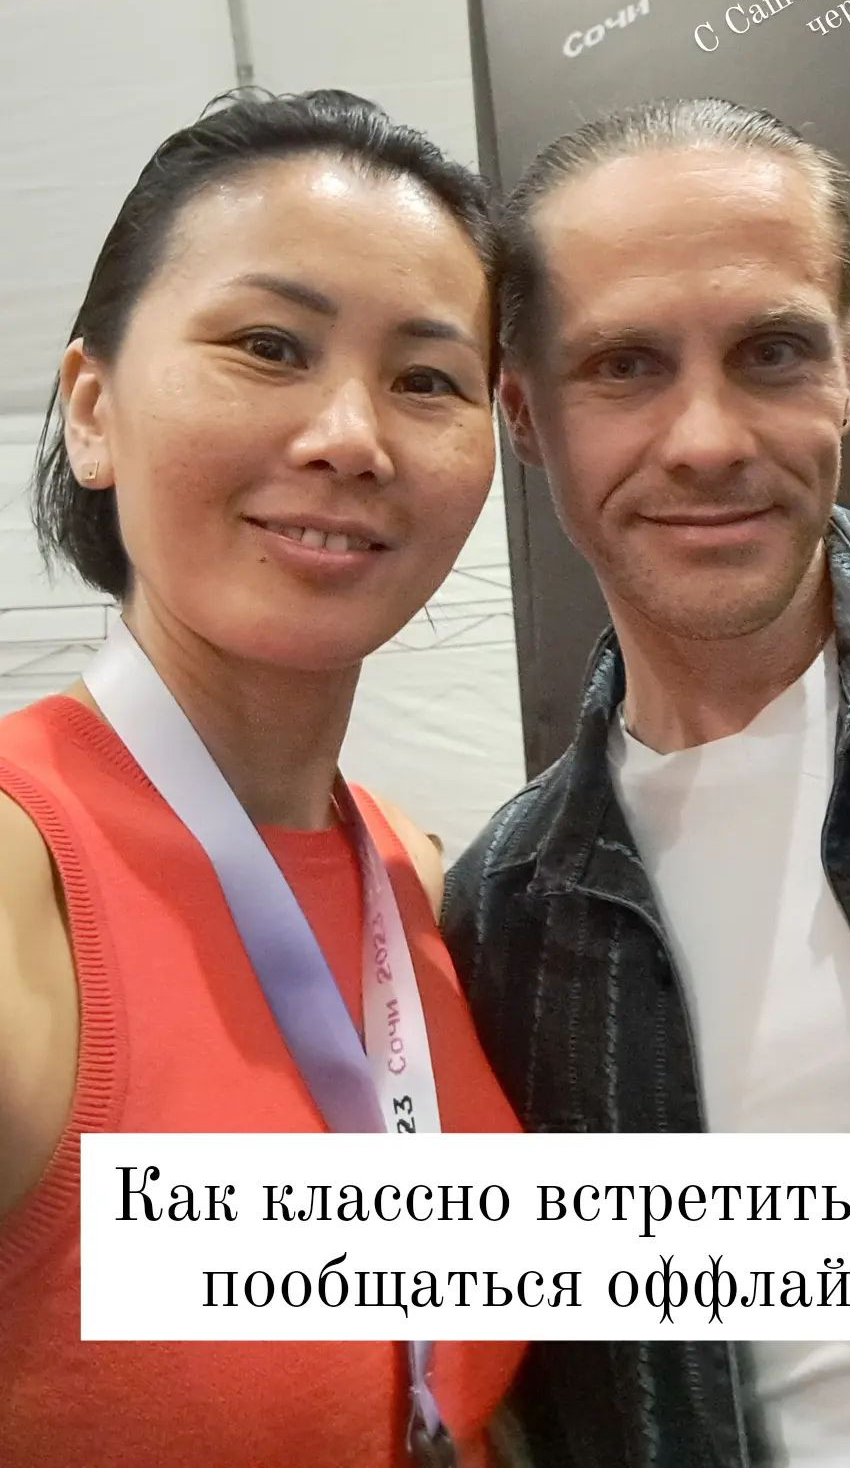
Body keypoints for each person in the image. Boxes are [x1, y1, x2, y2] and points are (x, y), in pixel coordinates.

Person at [442, 97, 850, 1468]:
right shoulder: (500, 917)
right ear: (524, 414)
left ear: (849, 360)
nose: (709, 439)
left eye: (772, 351)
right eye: (623, 366)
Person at [0, 88, 526, 1468]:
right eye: (268, 347)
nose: (351, 434)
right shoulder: (19, 873)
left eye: (427, 379)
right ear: (94, 411)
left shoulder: (413, 872)